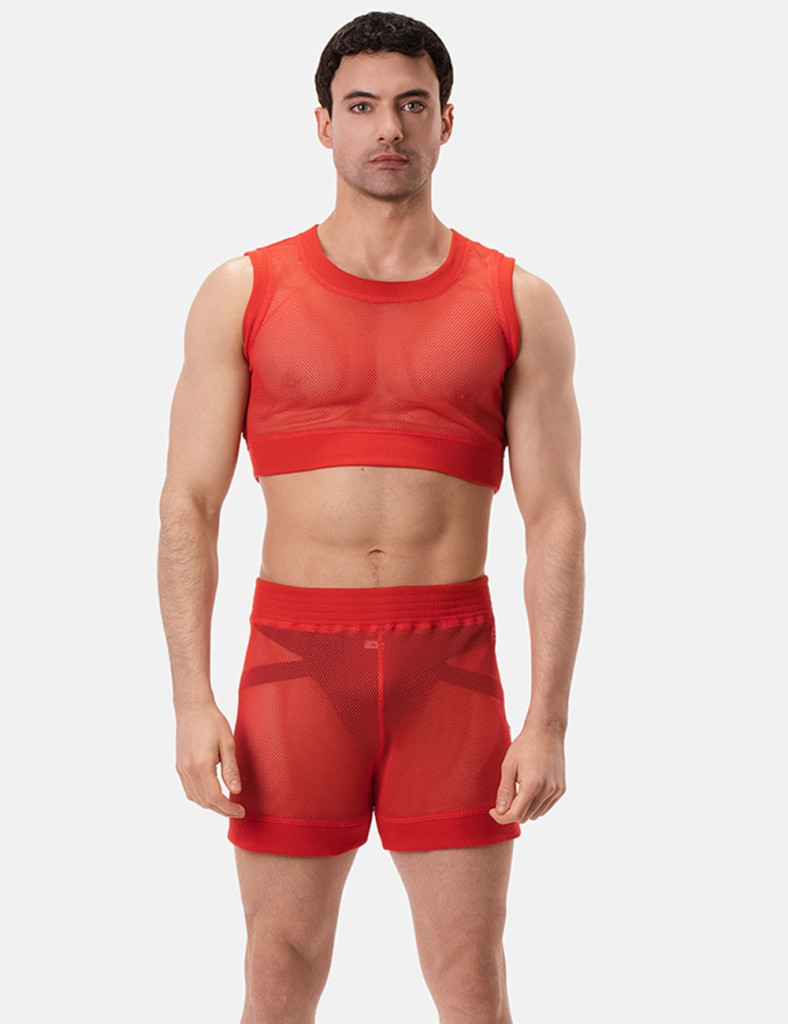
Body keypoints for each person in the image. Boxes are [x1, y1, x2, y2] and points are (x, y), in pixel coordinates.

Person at [158, 10, 585, 1023]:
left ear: (446, 121)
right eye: (361, 107)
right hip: (294, 667)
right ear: (322, 125)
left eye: (410, 105)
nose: (387, 128)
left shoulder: (517, 300)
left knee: (470, 979)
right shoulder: (242, 290)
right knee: (277, 972)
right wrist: (190, 699)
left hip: (452, 670)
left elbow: (557, 520)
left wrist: (547, 721)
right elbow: (189, 503)